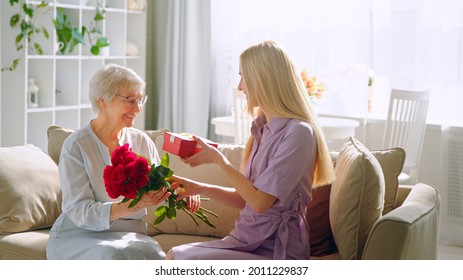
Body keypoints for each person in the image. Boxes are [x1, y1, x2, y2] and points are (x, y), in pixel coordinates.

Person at [166, 40, 336, 260]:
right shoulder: (261, 128)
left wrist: (220, 161)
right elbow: (248, 198)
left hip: (276, 249)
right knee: (175, 255)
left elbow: (260, 202)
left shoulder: (299, 133)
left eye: (243, 77)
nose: (239, 87)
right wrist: (199, 188)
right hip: (246, 240)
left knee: (179, 259)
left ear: (262, 79)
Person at [46, 64, 199, 260]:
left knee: (158, 258)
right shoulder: (76, 146)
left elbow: (159, 183)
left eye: (140, 100)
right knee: (113, 256)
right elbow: (79, 211)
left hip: (131, 235)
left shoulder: (140, 141)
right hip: (79, 236)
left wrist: (181, 191)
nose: (138, 108)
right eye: (130, 100)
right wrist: (134, 205)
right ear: (102, 101)